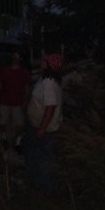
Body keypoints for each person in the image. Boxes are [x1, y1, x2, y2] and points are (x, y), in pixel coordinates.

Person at [24, 52, 64, 194]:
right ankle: (38, 186)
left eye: (44, 61)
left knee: (44, 161)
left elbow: (50, 107)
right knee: (36, 157)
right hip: (38, 126)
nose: (41, 62)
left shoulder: (48, 83)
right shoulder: (46, 80)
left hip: (44, 130)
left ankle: (46, 190)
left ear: (49, 65)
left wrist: (42, 128)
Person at [0, 51, 31, 151]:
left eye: (17, 57)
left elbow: (27, 88)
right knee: (2, 122)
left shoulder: (24, 72)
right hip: (4, 101)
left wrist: (25, 101)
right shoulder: (5, 71)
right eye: (14, 57)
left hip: (17, 103)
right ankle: (3, 139)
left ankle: (17, 142)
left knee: (19, 124)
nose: (15, 59)